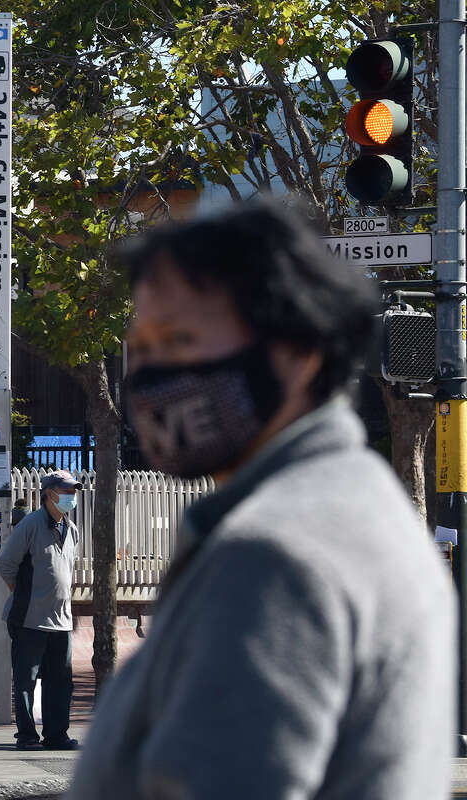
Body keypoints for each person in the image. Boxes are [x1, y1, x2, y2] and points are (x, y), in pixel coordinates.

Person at [69, 201, 454, 799]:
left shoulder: (273, 556)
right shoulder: (362, 506)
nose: (148, 375)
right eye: (139, 350)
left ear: (296, 351)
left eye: (179, 339)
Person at [0, 470, 80, 751]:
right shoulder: (30, 524)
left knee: (60, 682)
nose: (71, 496)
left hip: (61, 621)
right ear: (50, 493)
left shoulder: (72, 530)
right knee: (26, 680)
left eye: (73, 491)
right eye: (66, 491)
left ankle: (57, 734)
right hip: (29, 619)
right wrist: (25, 597)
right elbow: (6, 566)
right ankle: (27, 736)